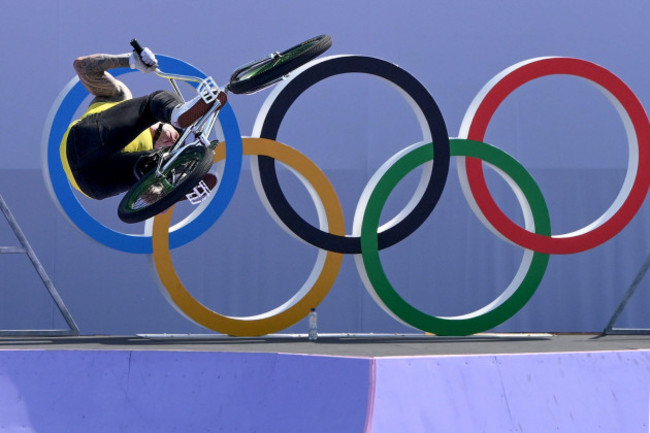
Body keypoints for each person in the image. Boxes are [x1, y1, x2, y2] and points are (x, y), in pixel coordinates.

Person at [60, 46, 226, 200]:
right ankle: (175, 112)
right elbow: (82, 66)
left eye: (172, 142)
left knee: (155, 167)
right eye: (176, 133)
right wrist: (130, 60)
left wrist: (159, 199)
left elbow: (146, 196)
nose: (172, 141)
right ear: (164, 122)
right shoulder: (118, 97)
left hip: (92, 185)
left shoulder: (149, 156)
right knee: (156, 101)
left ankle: (174, 187)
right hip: (81, 143)